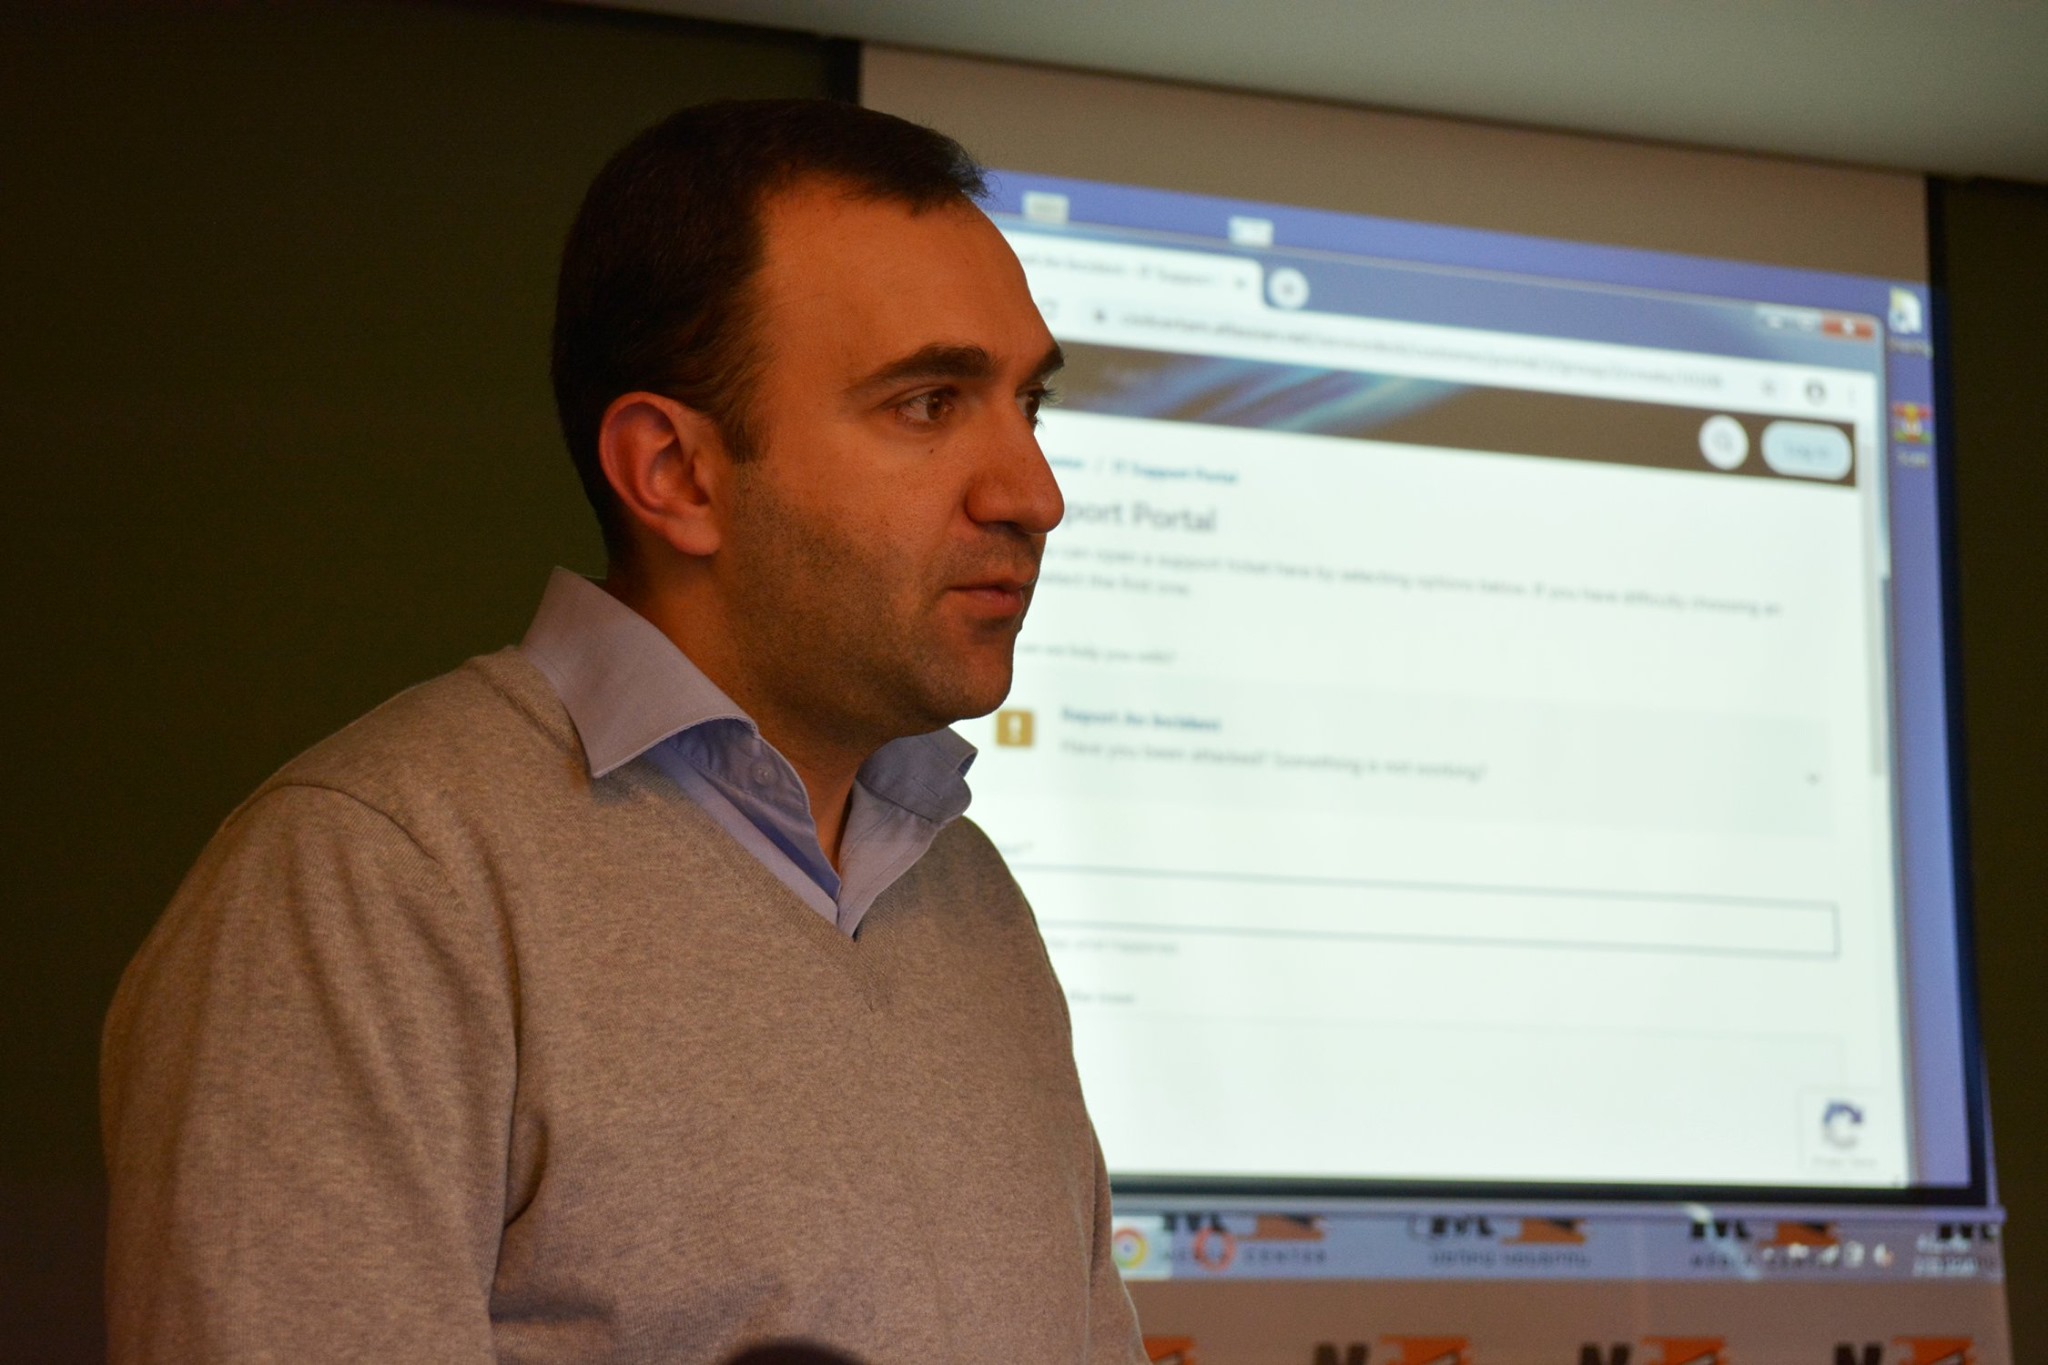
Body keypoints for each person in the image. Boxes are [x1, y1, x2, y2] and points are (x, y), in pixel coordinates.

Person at [101, 99, 1146, 1364]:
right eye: (928, 404)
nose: (1034, 494)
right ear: (673, 473)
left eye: (1029, 405)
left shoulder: (970, 900)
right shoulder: (372, 882)